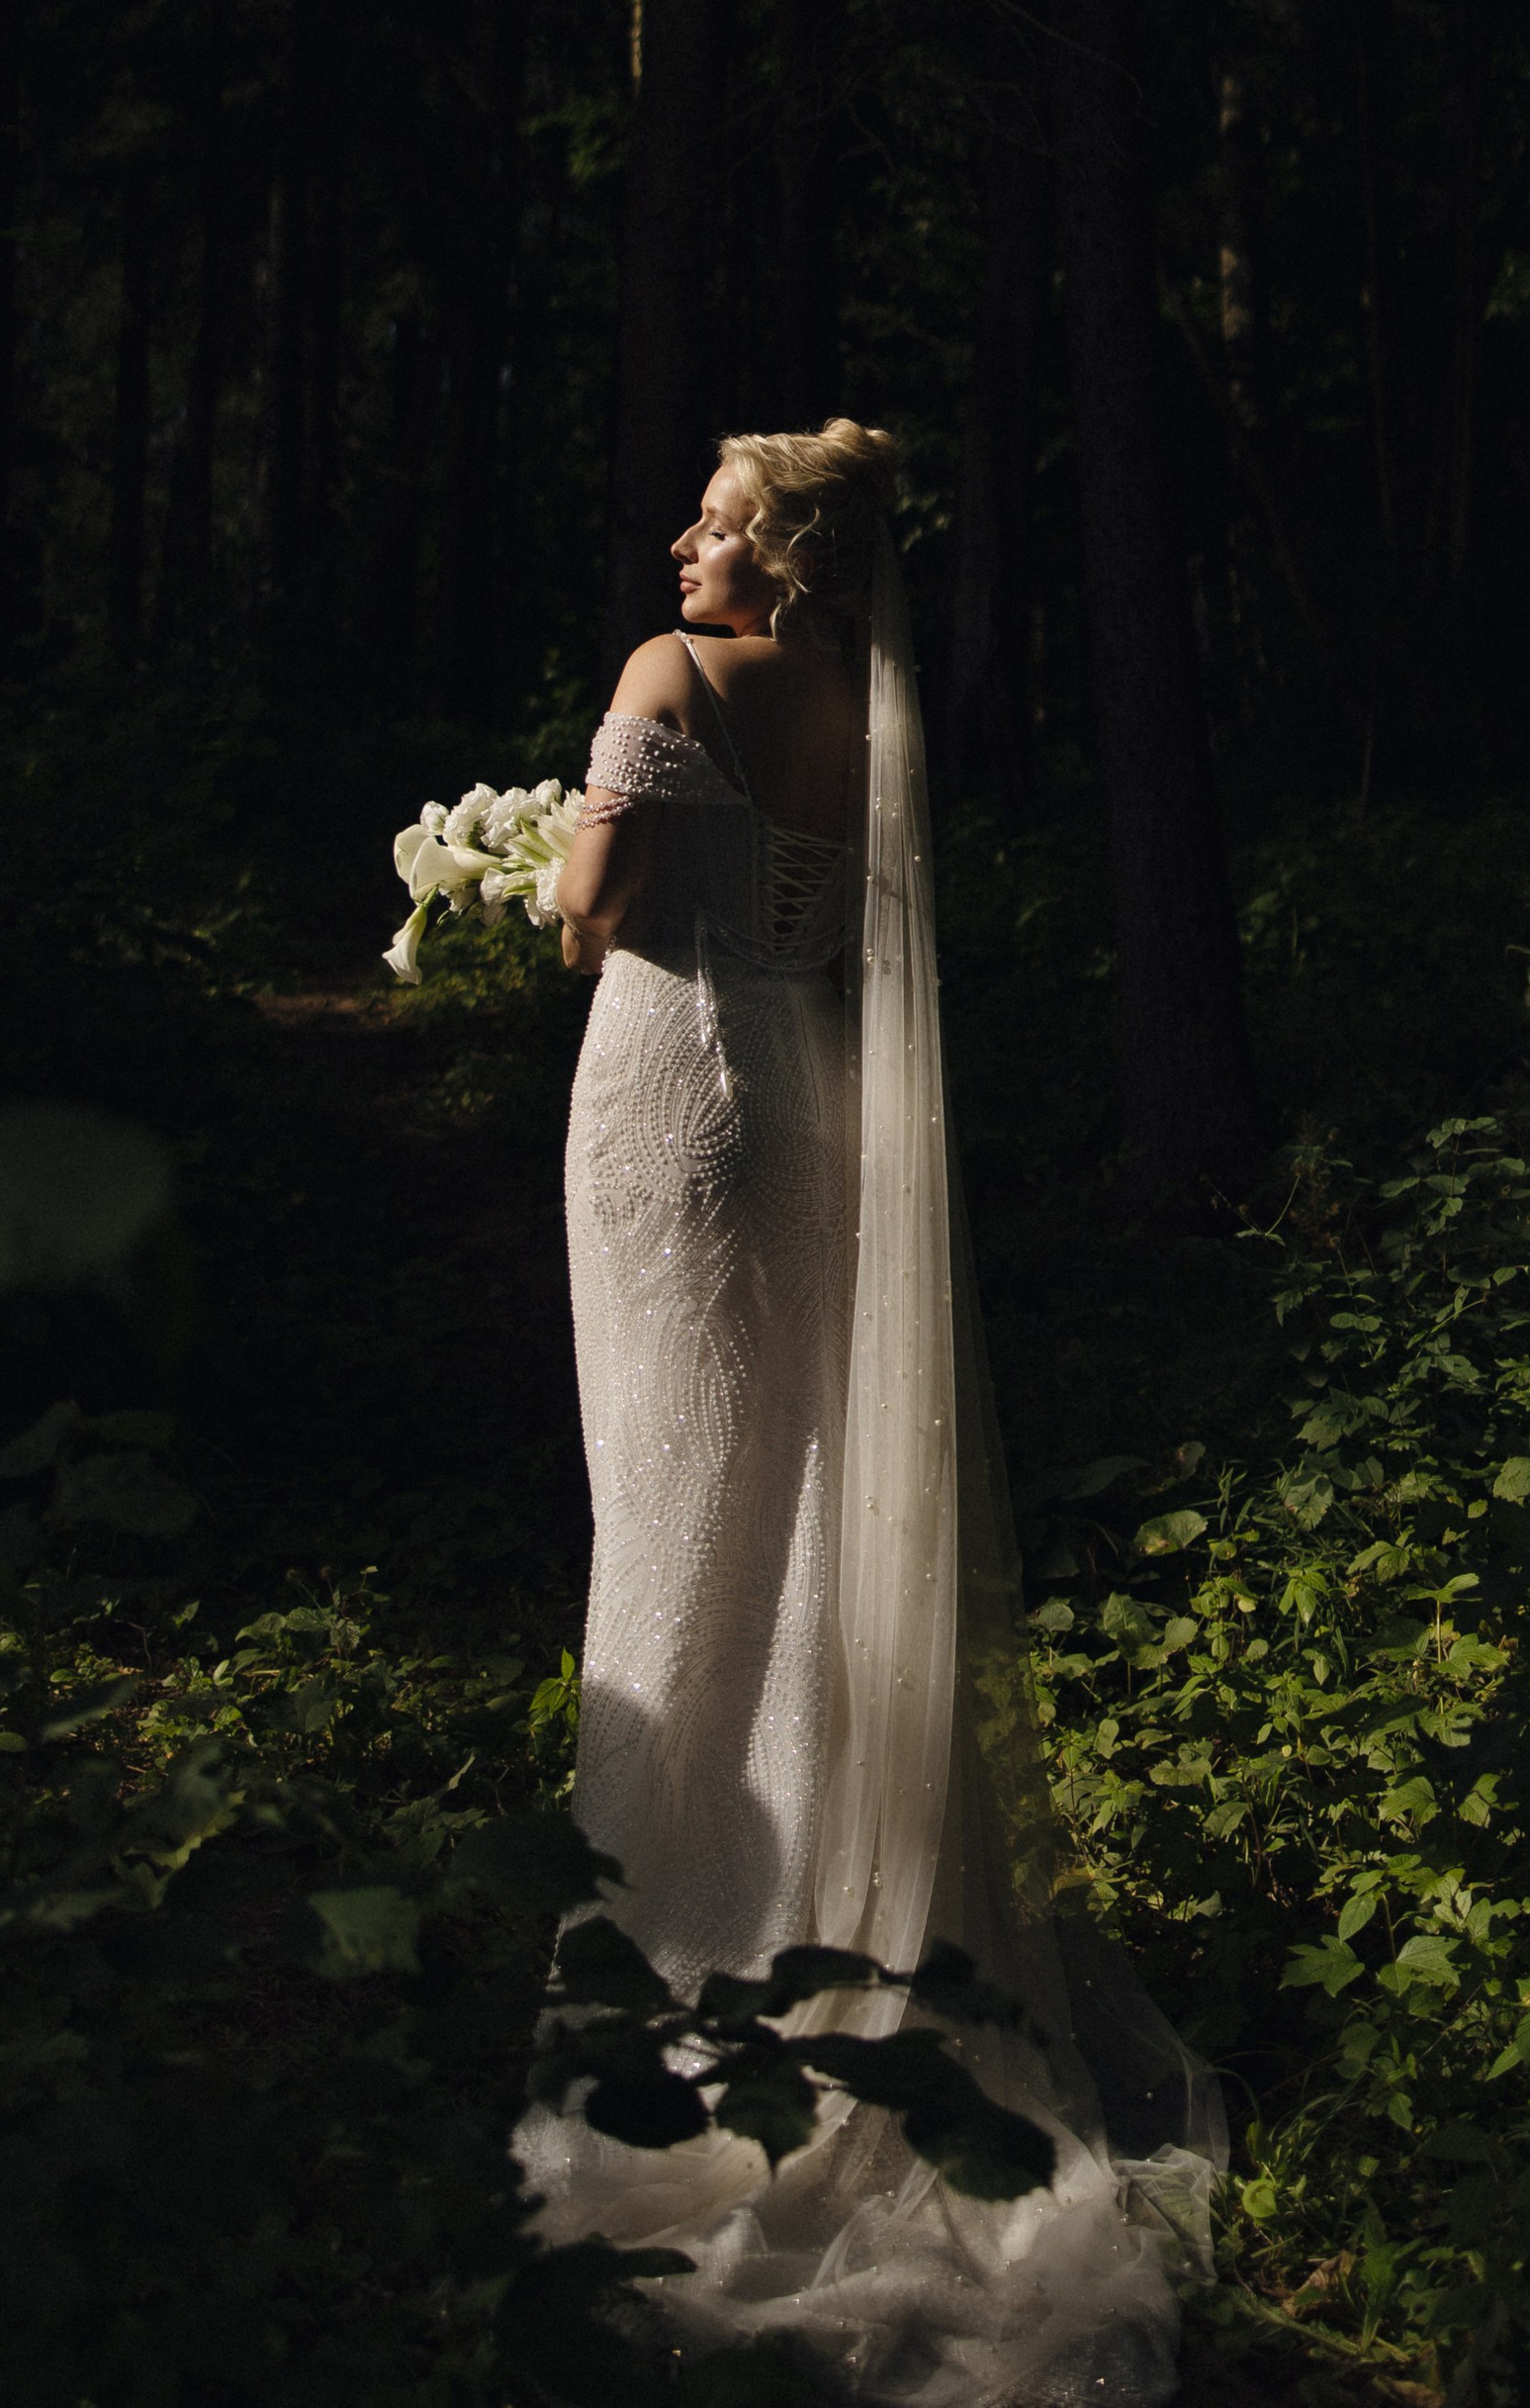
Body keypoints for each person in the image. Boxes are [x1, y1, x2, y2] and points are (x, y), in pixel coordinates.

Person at [518, 419, 1219, 2404]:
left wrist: (531, 880)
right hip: (808, 1106)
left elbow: (599, 912)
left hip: (672, 1102)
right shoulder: (862, 703)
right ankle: (828, 1901)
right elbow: (826, 929)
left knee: (673, 1505)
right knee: (791, 1499)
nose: (683, 543)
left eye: (718, 521)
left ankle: (672, 1943)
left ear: (790, 555)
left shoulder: (672, 675)